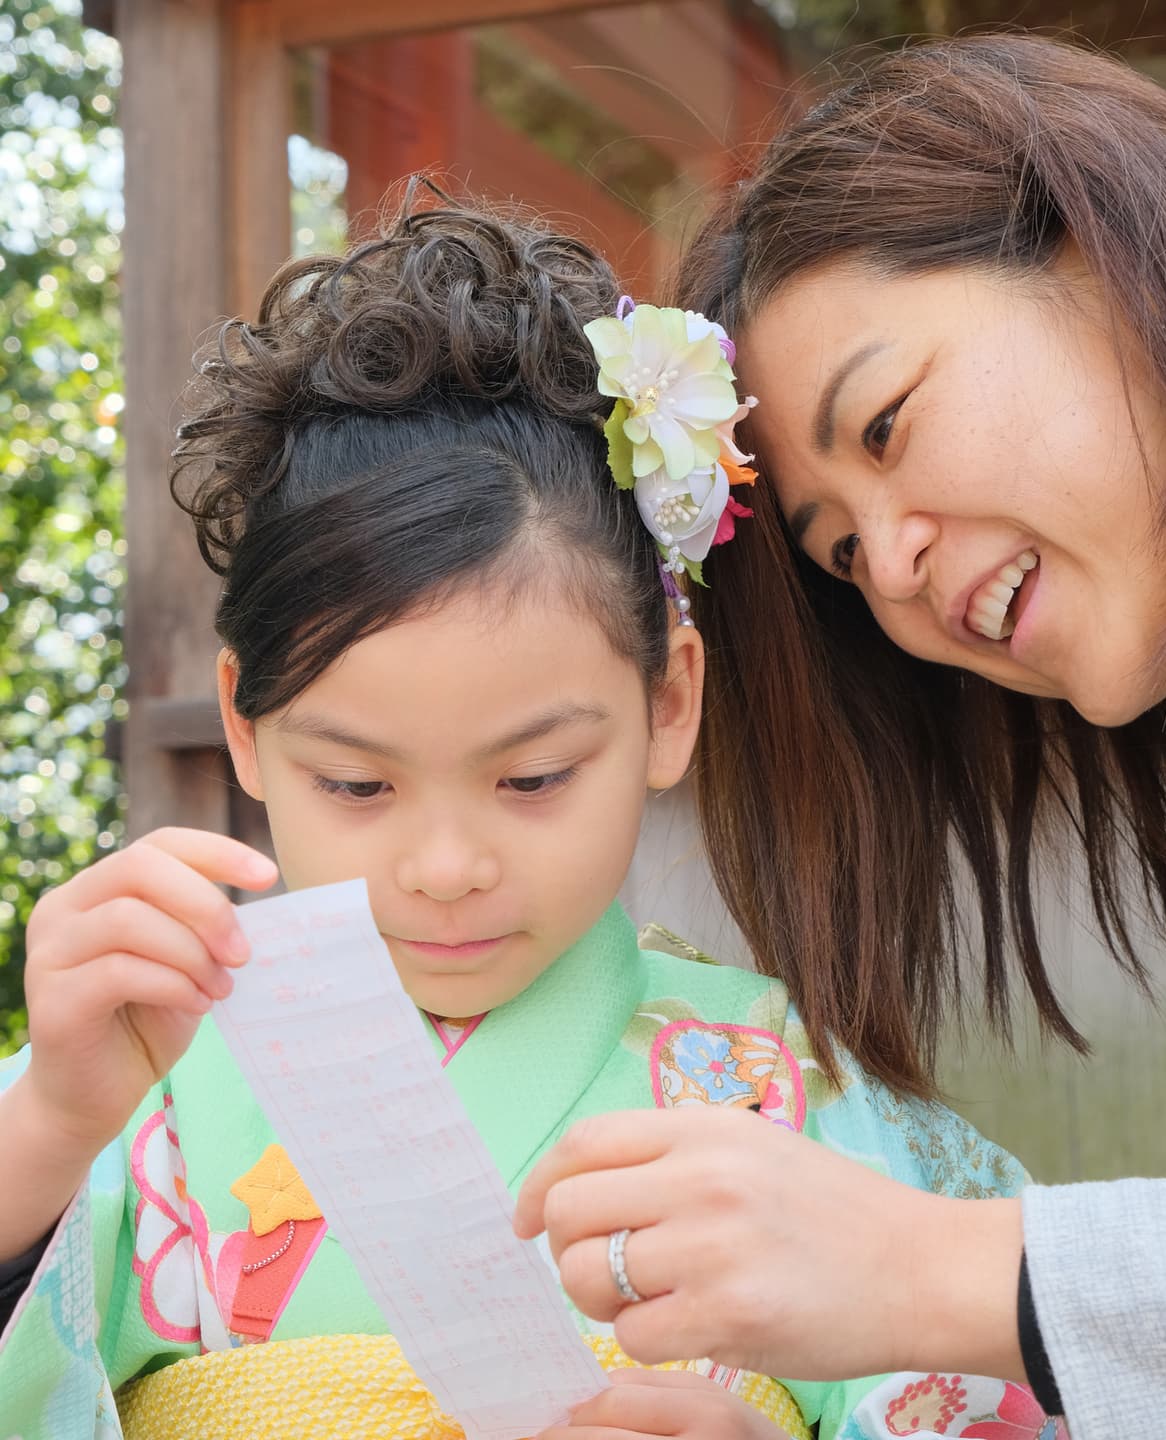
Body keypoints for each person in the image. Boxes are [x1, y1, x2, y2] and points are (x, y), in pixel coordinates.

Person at [0, 190, 1045, 1440]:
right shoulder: (124, 1086)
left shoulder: (794, 1100)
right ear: (244, 724)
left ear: (669, 703)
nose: (445, 868)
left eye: (533, 777)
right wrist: (50, 1128)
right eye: (358, 784)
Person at [511, 33, 1166, 1439]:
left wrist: (925, 1264)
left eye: (884, 424)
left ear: (1105, 244)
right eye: (836, 553)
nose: (889, 569)